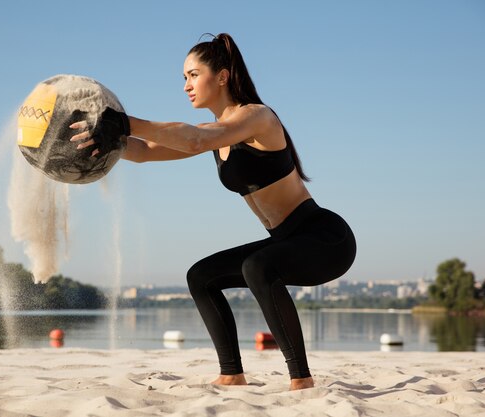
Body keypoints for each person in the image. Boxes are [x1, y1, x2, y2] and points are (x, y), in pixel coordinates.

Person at [70, 33, 356, 391]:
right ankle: (231, 373)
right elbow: (144, 151)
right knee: (201, 276)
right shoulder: (214, 135)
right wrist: (104, 137)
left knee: (258, 266)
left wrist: (123, 121)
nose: (187, 85)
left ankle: (301, 378)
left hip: (325, 239)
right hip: (286, 240)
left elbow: (194, 139)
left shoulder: (257, 117)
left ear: (222, 76)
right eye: (183, 78)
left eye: (193, 75)